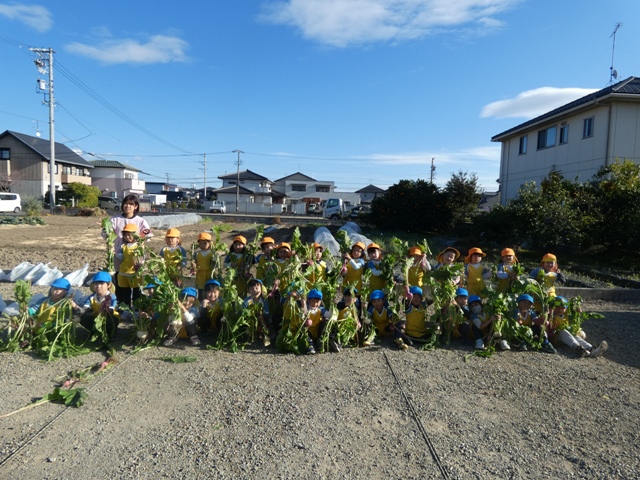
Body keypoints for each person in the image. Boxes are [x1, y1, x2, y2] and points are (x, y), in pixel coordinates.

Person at [103, 194, 152, 302]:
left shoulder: (140, 221)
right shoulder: (115, 220)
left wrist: (140, 243)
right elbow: (105, 234)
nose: (127, 206)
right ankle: (122, 304)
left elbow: (148, 235)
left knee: (136, 284)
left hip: (134, 257)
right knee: (120, 282)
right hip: (118, 254)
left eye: (131, 204)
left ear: (135, 206)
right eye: (126, 204)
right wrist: (107, 234)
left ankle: (137, 305)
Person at [78, 271, 120, 341]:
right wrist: (80, 312)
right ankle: (94, 331)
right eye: (96, 284)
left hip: (109, 316)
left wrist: (108, 310)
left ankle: (110, 333)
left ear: (109, 285)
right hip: (97, 317)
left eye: (101, 283)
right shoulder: (91, 297)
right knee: (83, 318)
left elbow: (112, 308)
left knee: (111, 320)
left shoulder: (111, 297)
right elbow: (85, 307)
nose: (98, 286)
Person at [115, 223, 144, 308]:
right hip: (124, 272)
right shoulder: (123, 246)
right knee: (125, 291)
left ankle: (136, 308)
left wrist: (139, 265)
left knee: (136, 291)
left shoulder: (139, 246)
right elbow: (121, 258)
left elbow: (142, 258)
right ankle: (126, 308)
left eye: (130, 235)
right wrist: (115, 254)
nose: (128, 237)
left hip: (134, 272)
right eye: (126, 235)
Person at [243, 278, 271, 346]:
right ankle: (251, 334)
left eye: (256, 288)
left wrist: (261, 313)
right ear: (248, 291)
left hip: (262, 319)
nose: (254, 290)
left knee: (265, 318)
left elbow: (267, 312)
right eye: (252, 289)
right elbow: (244, 310)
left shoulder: (264, 301)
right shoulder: (247, 301)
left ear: (261, 289)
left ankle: (263, 333)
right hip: (251, 320)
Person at [193, 232, 213, 300]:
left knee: (209, 289)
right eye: (200, 243)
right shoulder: (197, 253)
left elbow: (215, 264)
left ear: (210, 243)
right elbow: (194, 262)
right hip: (200, 274)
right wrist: (194, 266)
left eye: (204, 243)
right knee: (201, 290)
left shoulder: (212, 253)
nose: (202, 245)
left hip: (209, 273)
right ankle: (201, 302)